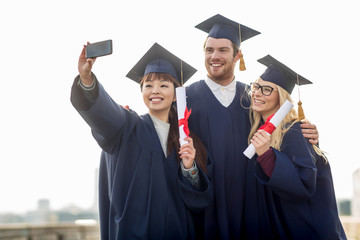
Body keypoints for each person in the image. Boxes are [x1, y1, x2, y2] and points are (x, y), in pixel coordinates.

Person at [185, 14, 320, 239]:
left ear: (238, 55)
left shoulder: (253, 98)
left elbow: (280, 127)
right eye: (209, 50)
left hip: (253, 208)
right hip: (206, 210)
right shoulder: (186, 98)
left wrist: (310, 133)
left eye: (222, 50)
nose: (214, 56)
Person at [70, 42, 213, 239]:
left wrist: (190, 168)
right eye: (148, 85)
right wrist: (86, 78)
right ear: (142, 91)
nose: (155, 91)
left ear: (175, 96)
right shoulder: (128, 126)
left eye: (164, 85)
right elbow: (105, 113)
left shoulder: (187, 139)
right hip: (134, 233)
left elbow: (199, 200)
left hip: (177, 232)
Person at [247, 54, 346, 239]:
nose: (257, 93)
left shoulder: (294, 131)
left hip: (304, 230)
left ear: (282, 98)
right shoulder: (262, 131)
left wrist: (267, 156)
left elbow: (305, 184)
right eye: (256, 86)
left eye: (267, 89)